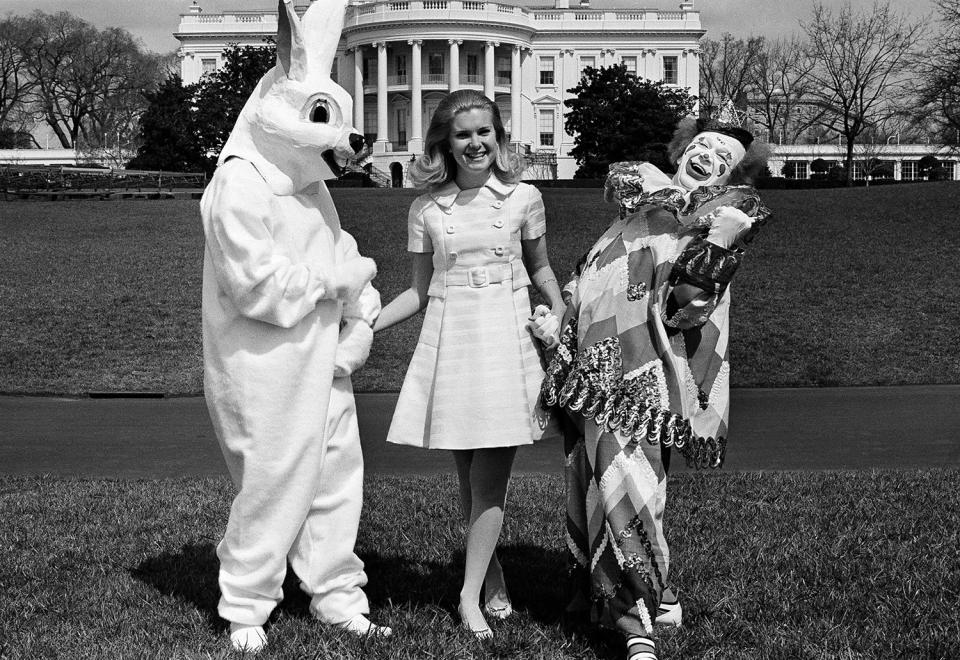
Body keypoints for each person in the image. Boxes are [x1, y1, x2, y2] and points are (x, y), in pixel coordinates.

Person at [532, 118, 772, 660]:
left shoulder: (713, 224)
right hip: (590, 377)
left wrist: (721, 244)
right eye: (702, 143)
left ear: (734, 173)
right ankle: (649, 596)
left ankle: (632, 620)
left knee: (628, 486)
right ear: (682, 149)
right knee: (594, 484)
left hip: (643, 384)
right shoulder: (632, 216)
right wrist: (559, 319)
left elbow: (685, 308)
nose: (707, 153)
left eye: (723, 154)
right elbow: (590, 281)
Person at [200, 0, 390, 652]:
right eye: (319, 116)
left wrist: (360, 317)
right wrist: (336, 288)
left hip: (323, 359)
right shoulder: (241, 185)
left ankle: (337, 593)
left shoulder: (310, 189)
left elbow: (344, 260)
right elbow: (256, 285)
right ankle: (246, 603)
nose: (348, 140)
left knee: (337, 479)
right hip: (263, 367)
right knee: (276, 481)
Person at [373, 89, 565, 640]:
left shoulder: (524, 198)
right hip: (451, 335)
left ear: (499, 136)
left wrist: (562, 314)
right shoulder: (427, 209)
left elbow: (542, 268)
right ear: (444, 144)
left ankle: (467, 596)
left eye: (485, 132)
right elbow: (416, 290)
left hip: (505, 338)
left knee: (490, 479)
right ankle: (492, 572)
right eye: (463, 134)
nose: (475, 143)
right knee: (467, 473)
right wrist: (363, 328)